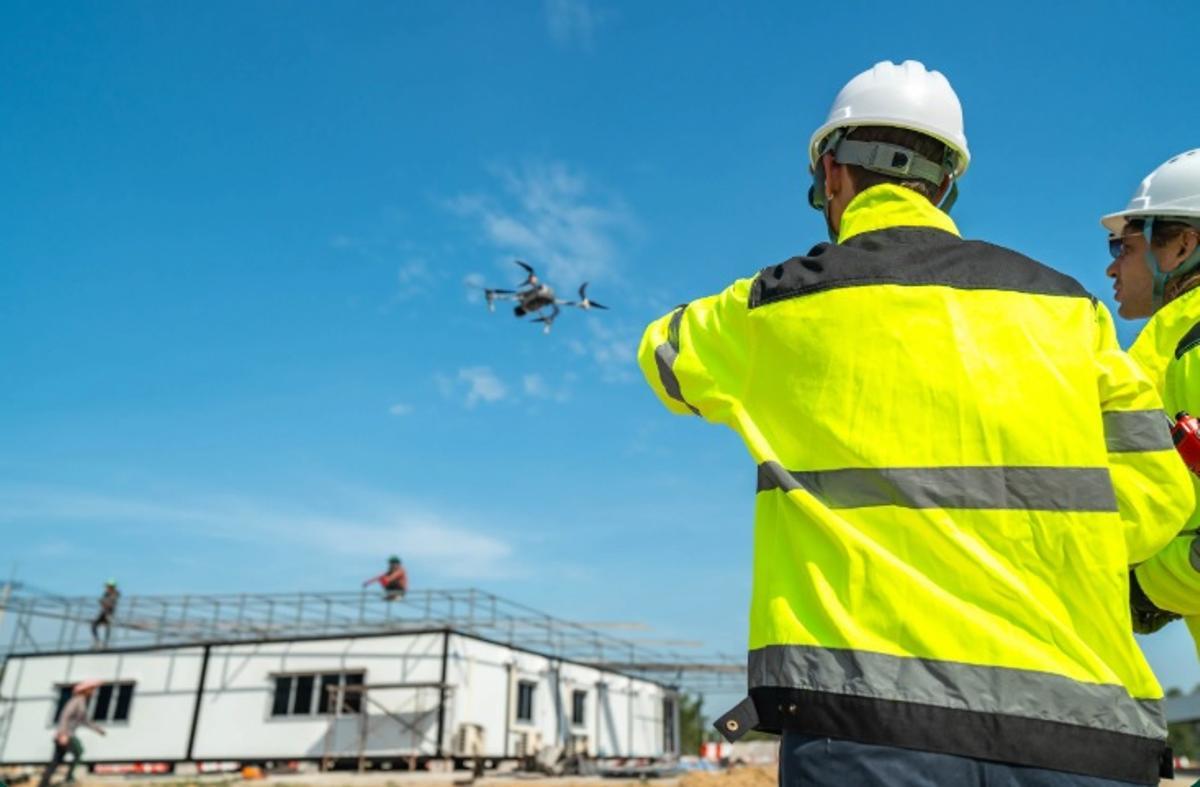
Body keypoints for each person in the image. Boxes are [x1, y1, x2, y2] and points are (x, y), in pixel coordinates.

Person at [637, 60, 1193, 786]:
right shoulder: (1070, 313)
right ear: (946, 185)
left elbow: (664, 354)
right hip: (1081, 728)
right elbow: (1160, 502)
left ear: (831, 175)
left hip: (866, 731)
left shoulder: (776, 306)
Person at [1103, 149, 1200, 655]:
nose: (1111, 268)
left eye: (1122, 246)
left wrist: (1146, 588)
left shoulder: (1192, 347)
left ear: (1183, 245)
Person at [38, 680, 106, 787]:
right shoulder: (76, 701)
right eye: (91, 689)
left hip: (66, 734)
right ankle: (68, 778)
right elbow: (65, 716)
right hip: (66, 735)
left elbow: (85, 720)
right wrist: (62, 734)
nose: (93, 692)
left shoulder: (82, 702)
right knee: (78, 752)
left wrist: (98, 729)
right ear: (85, 691)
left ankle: (44, 784)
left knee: (56, 761)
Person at [90, 580, 118, 649]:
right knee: (94, 625)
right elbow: (104, 603)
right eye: (107, 587)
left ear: (112, 587)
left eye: (108, 586)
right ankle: (97, 641)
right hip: (103, 612)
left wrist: (103, 602)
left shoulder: (115, 594)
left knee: (107, 627)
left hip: (109, 613)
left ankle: (105, 644)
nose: (107, 588)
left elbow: (110, 604)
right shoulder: (106, 594)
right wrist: (103, 603)